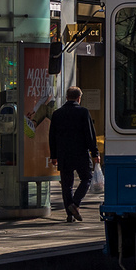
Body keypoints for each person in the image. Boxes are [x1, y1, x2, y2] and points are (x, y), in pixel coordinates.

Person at [48, 85, 101, 222]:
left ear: (66, 98)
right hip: (81, 153)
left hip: (63, 154)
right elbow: (90, 134)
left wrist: (54, 155)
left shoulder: (57, 114)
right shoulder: (83, 112)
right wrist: (95, 153)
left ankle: (70, 214)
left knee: (66, 184)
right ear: (79, 98)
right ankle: (75, 204)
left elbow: (52, 136)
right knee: (86, 178)